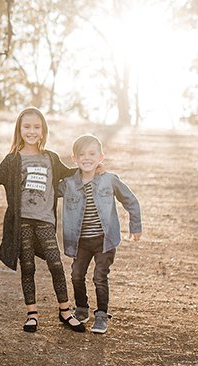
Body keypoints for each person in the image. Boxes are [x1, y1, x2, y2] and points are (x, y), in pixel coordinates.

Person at [0, 107, 86, 333]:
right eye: (27, 127)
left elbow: (70, 174)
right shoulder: (13, 160)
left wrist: (90, 168)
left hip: (45, 220)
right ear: (19, 130)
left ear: (43, 131)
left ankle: (65, 311)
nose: (31, 131)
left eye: (36, 127)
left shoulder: (50, 158)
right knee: (28, 266)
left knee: (55, 263)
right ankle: (32, 314)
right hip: (22, 221)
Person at [60, 134, 142, 334]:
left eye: (92, 154)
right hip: (80, 241)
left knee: (99, 276)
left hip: (105, 240)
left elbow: (131, 200)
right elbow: (48, 191)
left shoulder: (109, 180)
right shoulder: (68, 183)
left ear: (101, 157)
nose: (87, 158)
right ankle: (81, 309)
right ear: (74, 159)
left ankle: (102, 315)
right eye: (82, 154)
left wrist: (135, 226)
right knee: (77, 274)